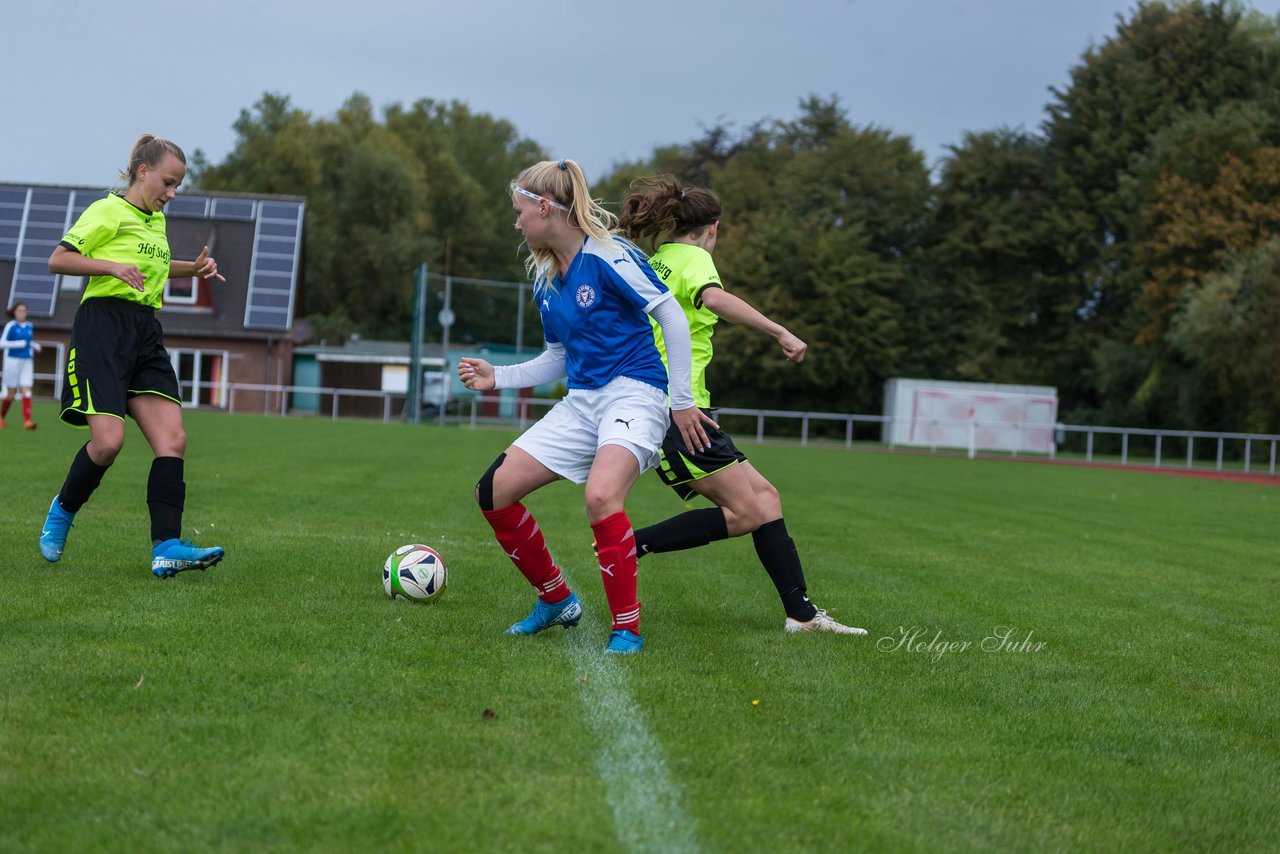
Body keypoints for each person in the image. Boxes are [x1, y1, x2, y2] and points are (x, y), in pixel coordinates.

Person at [458, 159, 714, 655]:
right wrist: (499, 378)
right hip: (583, 402)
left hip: (636, 392)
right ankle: (555, 599)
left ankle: (627, 629)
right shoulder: (545, 278)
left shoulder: (609, 255)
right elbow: (559, 356)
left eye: (520, 212)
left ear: (546, 208)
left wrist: (680, 401)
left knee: (601, 497)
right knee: (493, 492)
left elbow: (670, 315)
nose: (517, 223)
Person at [619, 176, 866, 635]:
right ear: (712, 228)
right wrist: (780, 331)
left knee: (766, 498)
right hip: (680, 411)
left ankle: (802, 615)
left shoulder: (659, 261)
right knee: (747, 513)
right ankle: (628, 546)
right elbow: (713, 298)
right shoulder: (694, 260)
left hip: (679, 405)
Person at [40, 134, 227, 578]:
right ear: (143, 172)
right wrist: (109, 266)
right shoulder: (107, 210)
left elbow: (147, 267)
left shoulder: (155, 221)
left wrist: (192, 268)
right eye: (167, 182)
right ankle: (62, 512)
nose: (172, 193)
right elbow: (58, 260)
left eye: (177, 185)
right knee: (108, 443)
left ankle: (166, 547)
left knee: (173, 440)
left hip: (145, 332)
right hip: (102, 329)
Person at [1, 301, 42, 429]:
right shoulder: (11, 326)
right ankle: (1, 416)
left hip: (27, 361)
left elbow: (27, 342)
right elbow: (2, 343)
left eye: (24, 310)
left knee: (27, 391)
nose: (22, 313)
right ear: (14, 312)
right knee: (11, 394)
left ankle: (27, 421)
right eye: (20, 310)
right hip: (12, 362)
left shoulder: (29, 326)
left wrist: (35, 345)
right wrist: (18, 344)